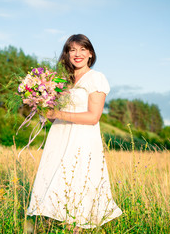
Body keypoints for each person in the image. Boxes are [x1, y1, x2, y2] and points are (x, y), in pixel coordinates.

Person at [27, 34, 122, 232]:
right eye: (72, 50)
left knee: (78, 183)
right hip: (59, 138)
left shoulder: (96, 78)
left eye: (82, 49)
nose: (77, 54)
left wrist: (58, 112)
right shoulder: (63, 82)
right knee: (59, 183)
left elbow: (93, 117)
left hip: (82, 140)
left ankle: (76, 228)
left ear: (90, 54)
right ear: (67, 54)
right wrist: (41, 106)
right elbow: (56, 117)